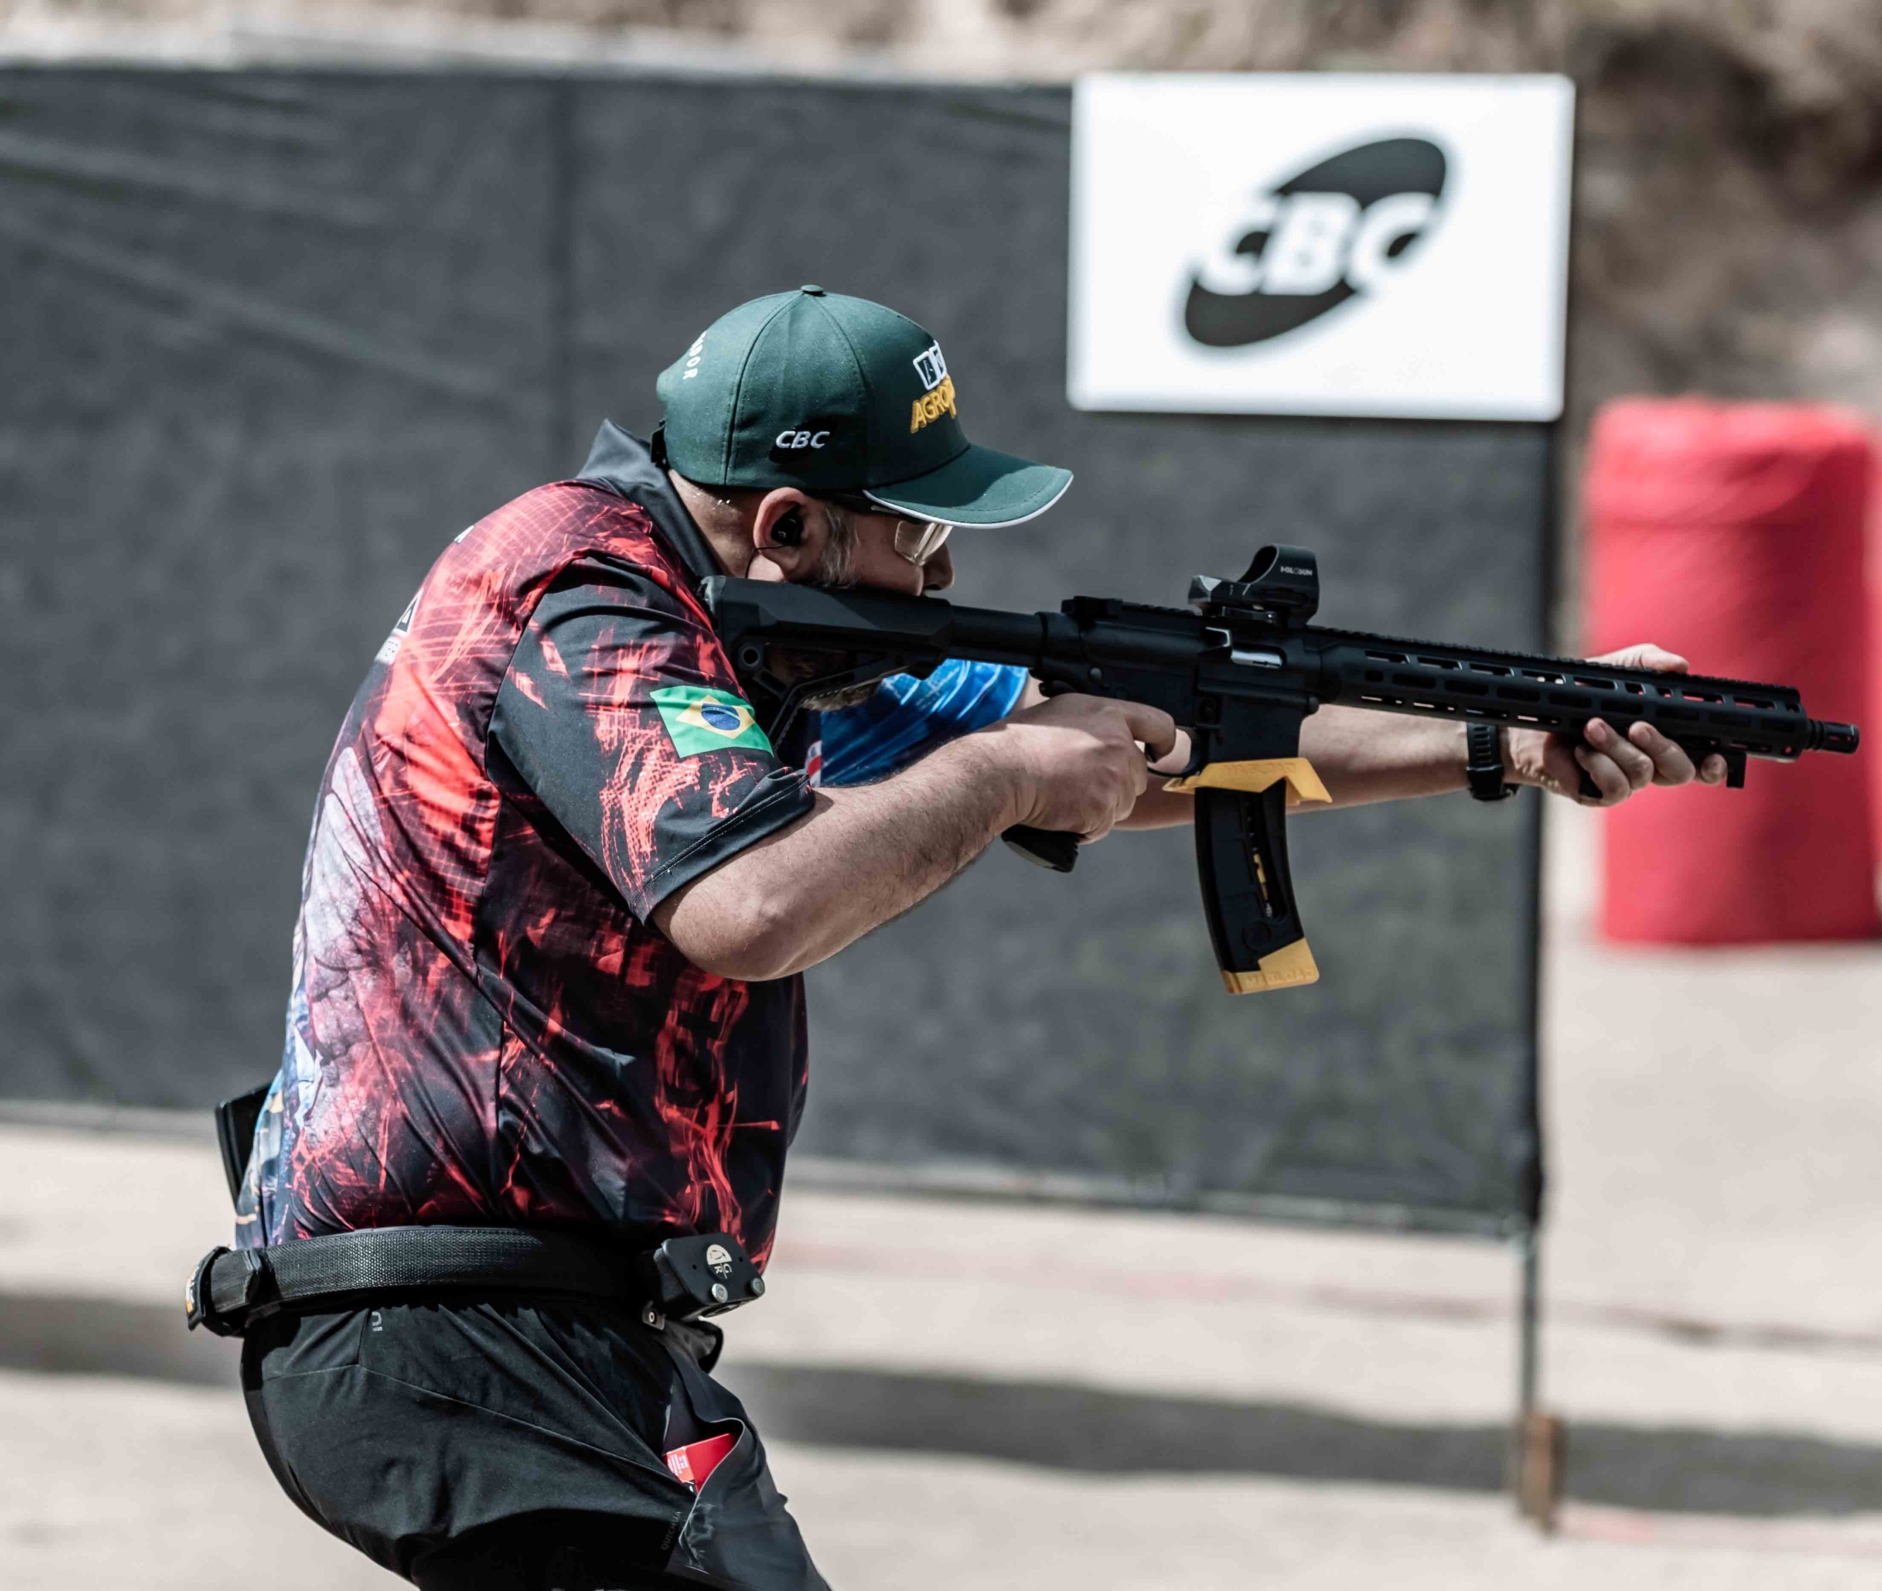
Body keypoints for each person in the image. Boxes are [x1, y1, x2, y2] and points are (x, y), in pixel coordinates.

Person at [220, 286, 1718, 1589]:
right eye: (921, 535)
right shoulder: (583, 594)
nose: (941, 580)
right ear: (791, 529)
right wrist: (1003, 774)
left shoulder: (754, 641)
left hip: (521, 1330)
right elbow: (752, 907)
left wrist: (1508, 740)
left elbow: (1165, 748)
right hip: (445, 1327)